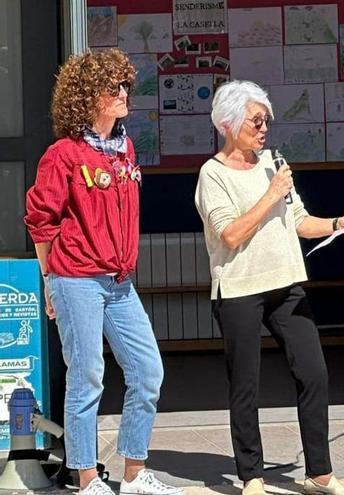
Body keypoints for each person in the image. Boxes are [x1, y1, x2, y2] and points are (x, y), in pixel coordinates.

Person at [194, 80, 344, 495]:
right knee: (246, 384)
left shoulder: (275, 162)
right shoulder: (212, 174)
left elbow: (300, 221)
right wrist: (270, 194)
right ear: (229, 123)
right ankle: (251, 476)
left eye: (266, 120)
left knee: (314, 373)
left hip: (286, 283)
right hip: (239, 289)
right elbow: (230, 235)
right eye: (256, 120)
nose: (264, 127)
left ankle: (320, 473)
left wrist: (341, 224)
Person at [24, 49, 181, 495]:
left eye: (125, 85)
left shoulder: (125, 148)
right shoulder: (63, 154)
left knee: (148, 371)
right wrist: (50, 282)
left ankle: (134, 475)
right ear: (86, 97)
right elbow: (41, 220)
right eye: (112, 87)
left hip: (119, 282)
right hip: (76, 279)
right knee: (88, 374)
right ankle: (87, 476)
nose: (123, 93)